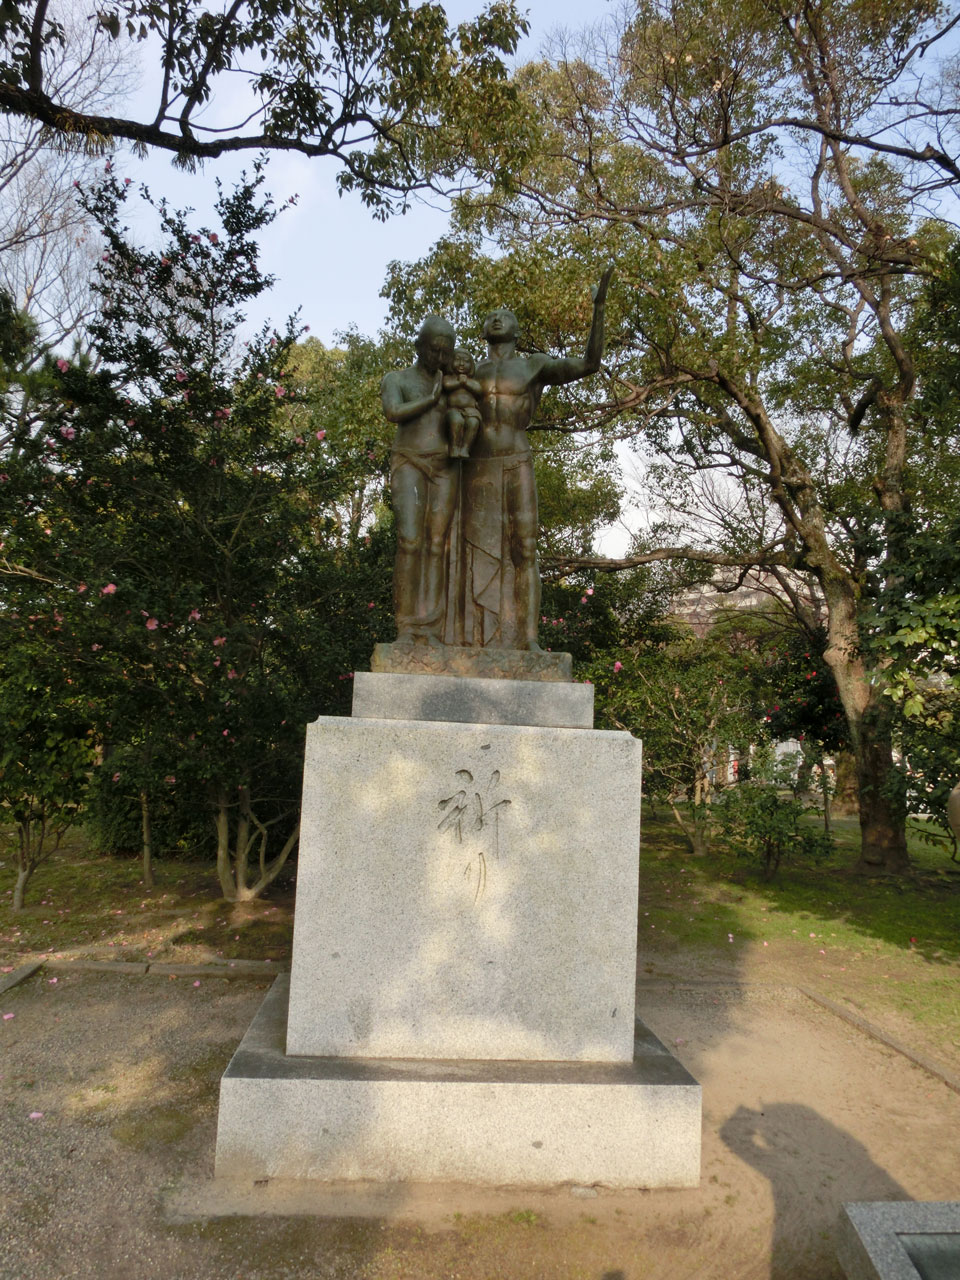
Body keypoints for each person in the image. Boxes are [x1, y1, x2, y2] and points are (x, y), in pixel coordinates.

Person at [461, 268, 614, 650]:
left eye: (506, 315)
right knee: (473, 549)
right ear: (483, 331)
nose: (498, 318)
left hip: (516, 459)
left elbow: (589, 364)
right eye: (491, 315)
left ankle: (528, 639)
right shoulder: (468, 370)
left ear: (517, 331)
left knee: (525, 549)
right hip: (477, 466)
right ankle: (473, 638)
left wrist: (598, 309)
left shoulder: (533, 365)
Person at [380, 315, 457, 643]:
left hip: (445, 468)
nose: (439, 357)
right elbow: (393, 412)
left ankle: (430, 627)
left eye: (445, 352)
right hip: (409, 461)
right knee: (410, 542)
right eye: (433, 350)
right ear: (419, 347)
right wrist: (431, 399)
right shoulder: (396, 379)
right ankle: (406, 626)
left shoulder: (453, 382)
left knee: (438, 546)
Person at [443, 348, 483, 459]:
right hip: (453, 409)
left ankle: (465, 448)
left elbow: (479, 390)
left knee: (473, 423)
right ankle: (454, 446)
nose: (461, 363)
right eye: (458, 360)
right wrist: (459, 382)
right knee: (456, 421)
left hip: (471, 410)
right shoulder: (449, 378)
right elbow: (446, 385)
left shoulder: (472, 381)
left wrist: (466, 382)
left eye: (466, 361)